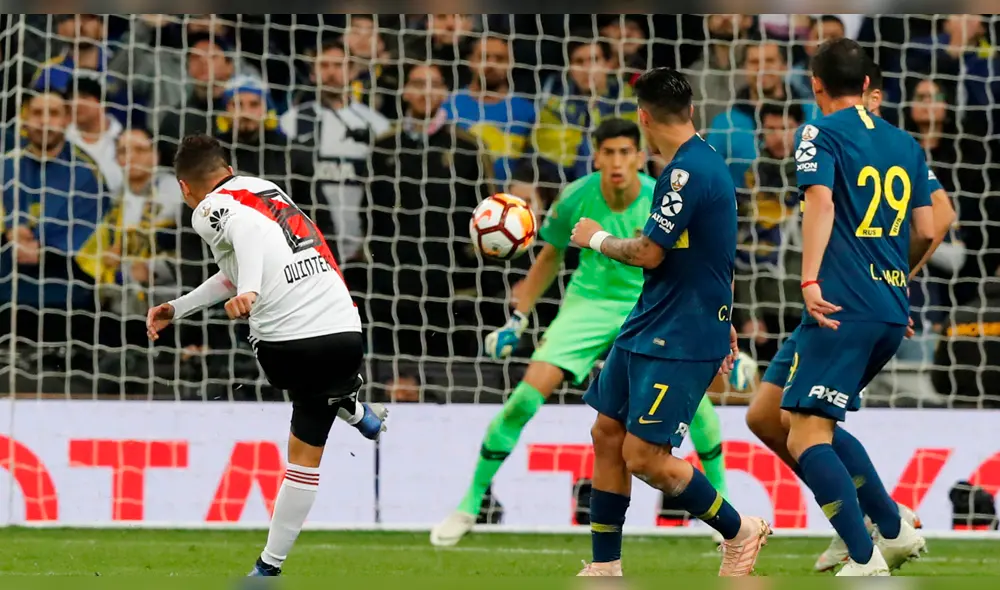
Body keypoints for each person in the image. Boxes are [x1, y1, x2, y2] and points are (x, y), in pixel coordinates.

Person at [745, 57, 956, 573]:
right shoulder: (904, 142)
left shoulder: (818, 131)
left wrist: (811, 278)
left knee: (807, 432)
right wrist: (893, 279)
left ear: (815, 87)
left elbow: (821, 204)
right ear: (867, 86)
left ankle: (869, 549)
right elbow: (934, 225)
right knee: (767, 416)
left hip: (837, 303)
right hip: (883, 303)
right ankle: (886, 522)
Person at [144, 134, 387, 577]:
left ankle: (267, 573)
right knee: (314, 424)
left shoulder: (206, 208)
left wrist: (251, 290)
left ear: (184, 186)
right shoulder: (264, 189)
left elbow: (248, 238)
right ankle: (349, 403)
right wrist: (177, 308)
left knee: (300, 453)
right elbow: (236, 270)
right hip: (347, 331)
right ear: (228, 166)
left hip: (290, 348)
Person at [568, 70, 769, 577]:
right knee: (607, 432)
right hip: (651, 323)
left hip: (680, 334)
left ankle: (739, 529)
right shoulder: (694, 165)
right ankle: (605, 565)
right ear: (692, 110)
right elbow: (713, 252)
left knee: (644, 455)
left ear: (642, 116)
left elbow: (651, 252)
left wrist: (594, 238)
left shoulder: (686, 173)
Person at [280, 39, 390, 263]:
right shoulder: (291, 122)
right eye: (324, 66)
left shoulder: (376, 125)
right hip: (307, 246)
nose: (331, 73)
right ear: (312, 74)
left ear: (352, 72)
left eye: (338, 66)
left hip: (361, 246)